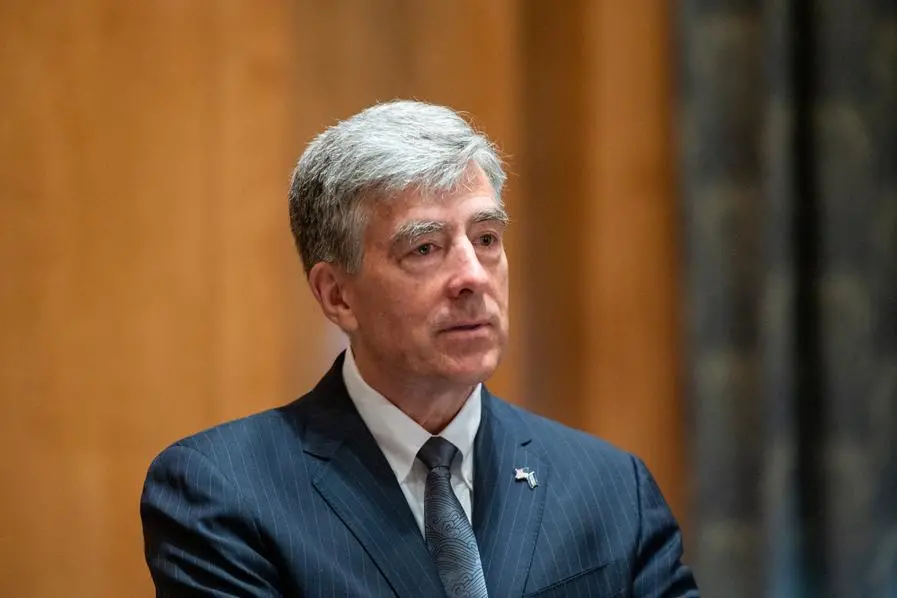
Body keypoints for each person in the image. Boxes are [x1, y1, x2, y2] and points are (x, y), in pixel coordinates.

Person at [141, 100, 700, 597]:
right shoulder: (223, 492)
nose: (473, 276)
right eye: (425, 248)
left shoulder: (611, 488)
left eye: (486, 239)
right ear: (337, 296)